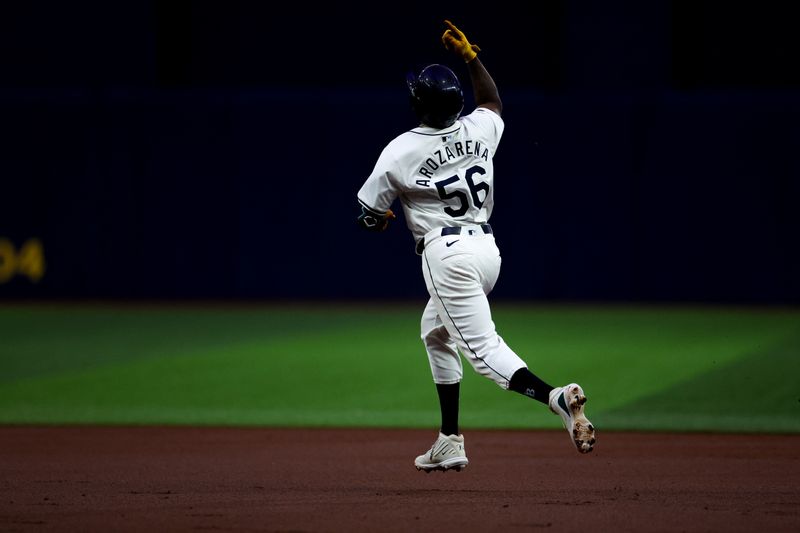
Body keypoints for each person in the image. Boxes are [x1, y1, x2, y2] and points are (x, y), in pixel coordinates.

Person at [356, 20, 596, 472]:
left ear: (416, 104)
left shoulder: (400, 150)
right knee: (435, 332)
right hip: (487, 252)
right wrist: (471, 58)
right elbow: (492, 101)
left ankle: (556, 398)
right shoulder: (479, 128)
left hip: (447, 257)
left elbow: (368, 216)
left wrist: (380, 220)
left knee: (483, 349)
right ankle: (449, 439)